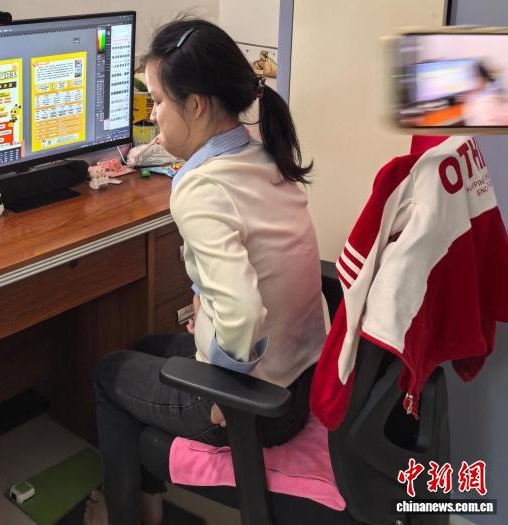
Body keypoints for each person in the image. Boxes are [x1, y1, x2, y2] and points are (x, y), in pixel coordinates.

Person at [85, 17, 326, 525]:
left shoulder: (202, 189)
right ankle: (147, 498)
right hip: (300, 381)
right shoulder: (259, 154)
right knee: (147, 346)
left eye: (157, 101)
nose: (153, 115)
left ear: (195, 105)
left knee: (109, 373)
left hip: (254, 407)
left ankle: (127, 515)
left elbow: (243, 314)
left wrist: (226, 385)